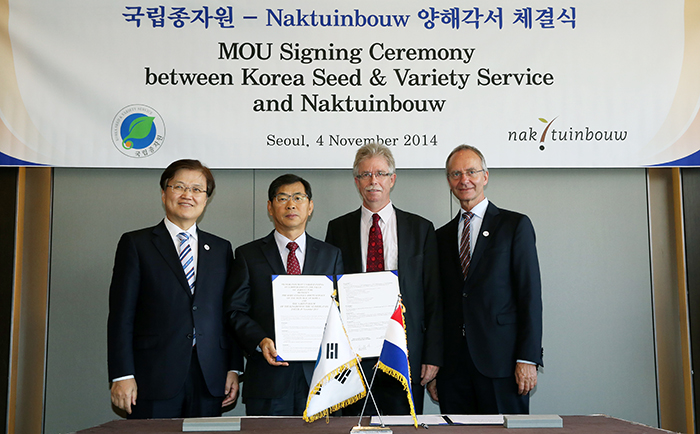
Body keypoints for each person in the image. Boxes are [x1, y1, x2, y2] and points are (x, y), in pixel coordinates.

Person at [108, 159, 243, 419]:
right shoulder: (136, 244)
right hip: (153, 376)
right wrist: (123, 374)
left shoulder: (221, 249)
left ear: (206, 198)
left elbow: (229, 313)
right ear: (164, 192)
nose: (187, 195)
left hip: (209, 375)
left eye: (196, 189)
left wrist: (233, 368)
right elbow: (121, 315)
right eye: (179, 187)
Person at [325, 143, 442, 415]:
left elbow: (434, 297)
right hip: (354, 357)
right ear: (356, 181)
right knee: (354, 427)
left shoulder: (420, 229)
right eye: (365, 175)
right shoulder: (338, 229)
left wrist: (432, 357)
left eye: (380, 173)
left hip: (404, 354)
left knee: (403, 426)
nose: (373, 181)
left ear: (393, 179)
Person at [428, 145, 543, 414]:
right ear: (448, 181)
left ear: (485, 176)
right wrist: (434, 365)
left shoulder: (515, 226)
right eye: (455, 174)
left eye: (471, 172)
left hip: (503, 365)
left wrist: (527, 358)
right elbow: (437, 305)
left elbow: (529, 296)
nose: (463, 180)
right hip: (454, 369)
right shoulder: (439, 237)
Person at [225, 174, 344, 416]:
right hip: (268, 381)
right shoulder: (248, 255)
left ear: (310, 207)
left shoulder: (331, 255)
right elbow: (235, 310)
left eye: (298, 198)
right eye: (282, 198)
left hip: (321, 378)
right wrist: (260, 340)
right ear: (270, 207)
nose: (291, 204)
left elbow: (341, 310)